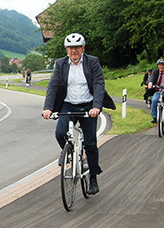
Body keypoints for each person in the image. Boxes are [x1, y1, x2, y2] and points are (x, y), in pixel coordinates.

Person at [42, 33, 116, 196]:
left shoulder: (92, 62)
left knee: (90, 143)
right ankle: (70, 153)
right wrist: (48, 108)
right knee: (60, 132)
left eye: (77, 47)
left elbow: (98, 84)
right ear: (67, 49)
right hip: (68, 104)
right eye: (70, 48)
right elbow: (53, 86)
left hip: (88, 105)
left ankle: (93, 178)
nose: (73, 51)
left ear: (83, 48)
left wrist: (96, 106)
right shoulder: (61, 64)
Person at [146, 59, 164, 123]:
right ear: (158, 66)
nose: (161, 67)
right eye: (159, 65)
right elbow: (152, 78)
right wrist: (150, 83)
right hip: (158, 91)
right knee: (154, 101)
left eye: (163, 65)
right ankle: (154, 117)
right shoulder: (155, 72)